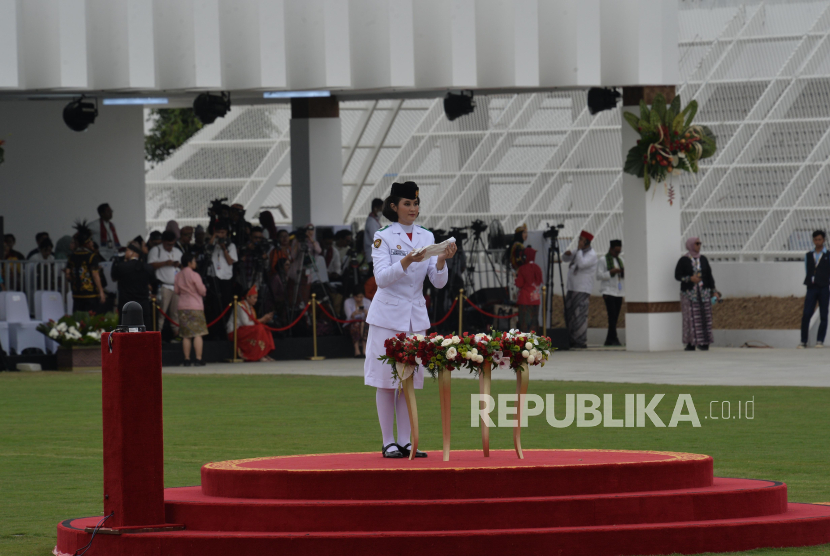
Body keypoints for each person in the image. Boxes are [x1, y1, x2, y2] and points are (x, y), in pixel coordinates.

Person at [364, 181, 457, 459]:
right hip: (387, 315)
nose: (413, 209)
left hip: (415, 317)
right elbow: (381, 279)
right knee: (386, 379)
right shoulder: (384, 236)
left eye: (416, 203)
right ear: (394, 207)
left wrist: (441, 261)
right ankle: (388, 441)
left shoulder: (427, 236)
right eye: (407, 204)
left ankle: (406, 442)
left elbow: (438, 283)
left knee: (410, 380)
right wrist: (406, 261)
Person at [675, 237, 720, 351]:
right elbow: (677, 275)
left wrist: (714, 291)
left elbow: (709, 276)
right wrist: (690, 279)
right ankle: (691, 343)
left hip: (704, 293)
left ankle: (704, 343)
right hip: (690, 294)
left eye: (700, 243)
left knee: (705, 318)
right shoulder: (683, 260)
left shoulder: (703, 259)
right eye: (697, 244)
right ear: (690, 245)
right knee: (691, 318)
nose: (699, 246)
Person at [562, 230, 598, 349]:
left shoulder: (591, 254)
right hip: (572, 287)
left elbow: (581, 263)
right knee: (569, 313)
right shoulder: (579, 251)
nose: (579, 241)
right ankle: (571, 338)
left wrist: (578, 250)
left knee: (579, 315)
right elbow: (565, 259)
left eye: (582, 240)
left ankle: (580, 340)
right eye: (579, 239)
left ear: (587, 242)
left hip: (582, 288)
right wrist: (567, 254)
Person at [205, 223, 238, 340]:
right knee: (213, 305)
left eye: (223, 233)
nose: (221, 235)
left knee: (225, 304)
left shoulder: (231, 245)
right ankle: (214, 332)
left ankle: (224, 331)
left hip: (226, 278)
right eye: (218, 232)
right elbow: (207, 250)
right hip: (214, 277)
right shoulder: (212, 244)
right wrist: (214, 237)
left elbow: (230, 262)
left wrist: (224, 248)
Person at [175, 253, 208, 366]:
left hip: (183, 306)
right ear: (189, 263)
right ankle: (198, 359)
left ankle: (187, 359)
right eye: (194, 261)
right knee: (198, 333)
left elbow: (176, 291)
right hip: (195, 306)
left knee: (186, 335)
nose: (195, 263)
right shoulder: (195, 275)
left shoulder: (178, 275)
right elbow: (202, 291)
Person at [226, 285, 275, 362]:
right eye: (254, 298)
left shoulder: (251, 308)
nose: (256, 300)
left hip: (244, 330)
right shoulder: (240, 306)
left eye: (256, 298)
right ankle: (259, 355)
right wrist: (262, 319)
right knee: (260, 328)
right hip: (235, 331)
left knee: (264, 328)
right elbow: (246, 323)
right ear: (248, 297)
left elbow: (253, 323)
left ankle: (264, 353)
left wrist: (265, 320)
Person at [148, 230, 183, 337]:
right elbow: (150, 266)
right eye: (168, 245)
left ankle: (176, 334)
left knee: (175, 313)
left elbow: (185, 265)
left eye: (172, 244)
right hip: (163, 285)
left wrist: (178, 265)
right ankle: (158, 335)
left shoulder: (178, 251)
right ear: (163, 242)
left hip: (176, 285)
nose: (170, 247)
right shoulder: (156, 250)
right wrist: (165, 263)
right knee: (161, 313)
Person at [111, 243, 155, 327]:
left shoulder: (122, 266)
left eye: (127, 250)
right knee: (144, 328)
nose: (125, 253)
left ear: (132, 252)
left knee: (126, 329)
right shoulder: (147, 267)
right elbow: (153, 282)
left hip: (126, 303)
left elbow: (114, 277)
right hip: (143, 303)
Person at [66, 221, 106, 313]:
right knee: (91, 322)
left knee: (78, 322)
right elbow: (95, 275)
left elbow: (68, 275)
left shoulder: (72, 256)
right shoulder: (92, 256)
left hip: (76, 294)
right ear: (86, 242)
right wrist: (101, 291)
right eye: (91, 240)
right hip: (90, 295)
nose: (92, 242)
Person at [799, 230, 830, 348]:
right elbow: (808, 270)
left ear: (824, 240)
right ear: (813, 240)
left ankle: (820, 340)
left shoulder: (828, 254)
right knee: (806, 314)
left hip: (824, 287)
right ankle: (803, 341)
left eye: (820, 239)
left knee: (823, 314)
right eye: (816, 239)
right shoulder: (808, 255)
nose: (818, 242)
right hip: (811, 287)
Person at [597, 239, 624, 347]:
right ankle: (614, 338)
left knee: (615, 316)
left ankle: (609, 339)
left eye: (619, 252)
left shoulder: (620, 260)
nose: (617, 254)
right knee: (611, 315)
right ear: (610, 249)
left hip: (619, 291)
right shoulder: (603, 260)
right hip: (608, 291)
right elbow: (599, 276)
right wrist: (610, 272)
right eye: (616, 251)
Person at [288, 224, 322, 307]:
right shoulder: (297, 241)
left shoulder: (314, 242)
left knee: (304, 293)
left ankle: (303, 310)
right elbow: (293, 256)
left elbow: (319, 251)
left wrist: (311, 240)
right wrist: (297, 241)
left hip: (308, 271)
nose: (309, 232)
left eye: (311, 230)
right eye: (307, 230)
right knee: (294, 293)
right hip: (296, 271)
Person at [515, 246, 542, 332]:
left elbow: (519, 283)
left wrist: (515, 277)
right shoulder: (537, 268)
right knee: (534, 324)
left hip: (525, 300)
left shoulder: (522, 268)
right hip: (535, 299)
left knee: (524, 326)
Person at [344, 288, 371, 358]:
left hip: (364, 322)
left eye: (361, 297)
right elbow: (349, 316)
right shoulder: (348, 302)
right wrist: (355, 313)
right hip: (352, 323)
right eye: (357, 297)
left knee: (364, 325)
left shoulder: (368, 302)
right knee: (356, 325)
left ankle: (364, 347)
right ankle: (357, 349)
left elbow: (371, 317)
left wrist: (366, 313)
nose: (359, 299)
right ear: (354, 296)